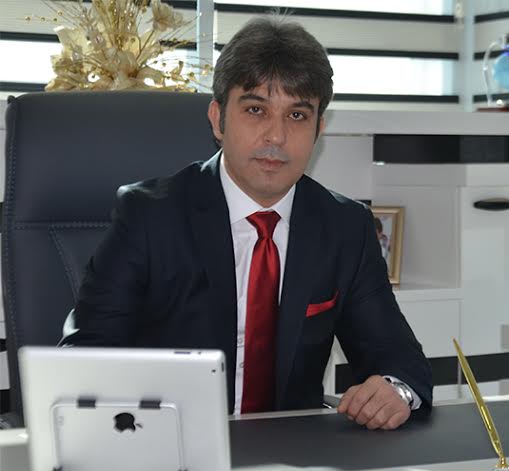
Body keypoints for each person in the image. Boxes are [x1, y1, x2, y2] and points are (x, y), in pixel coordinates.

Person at [60, 15, 432, 430]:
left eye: (297, 116)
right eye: (256, 110)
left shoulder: (345, 227)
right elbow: (86, 356)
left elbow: (400, 361)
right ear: (218, 119)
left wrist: (395, 390)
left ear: (318, 131)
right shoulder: (150, 217)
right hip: (171, 443)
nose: (275, 136)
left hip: (295, 453)